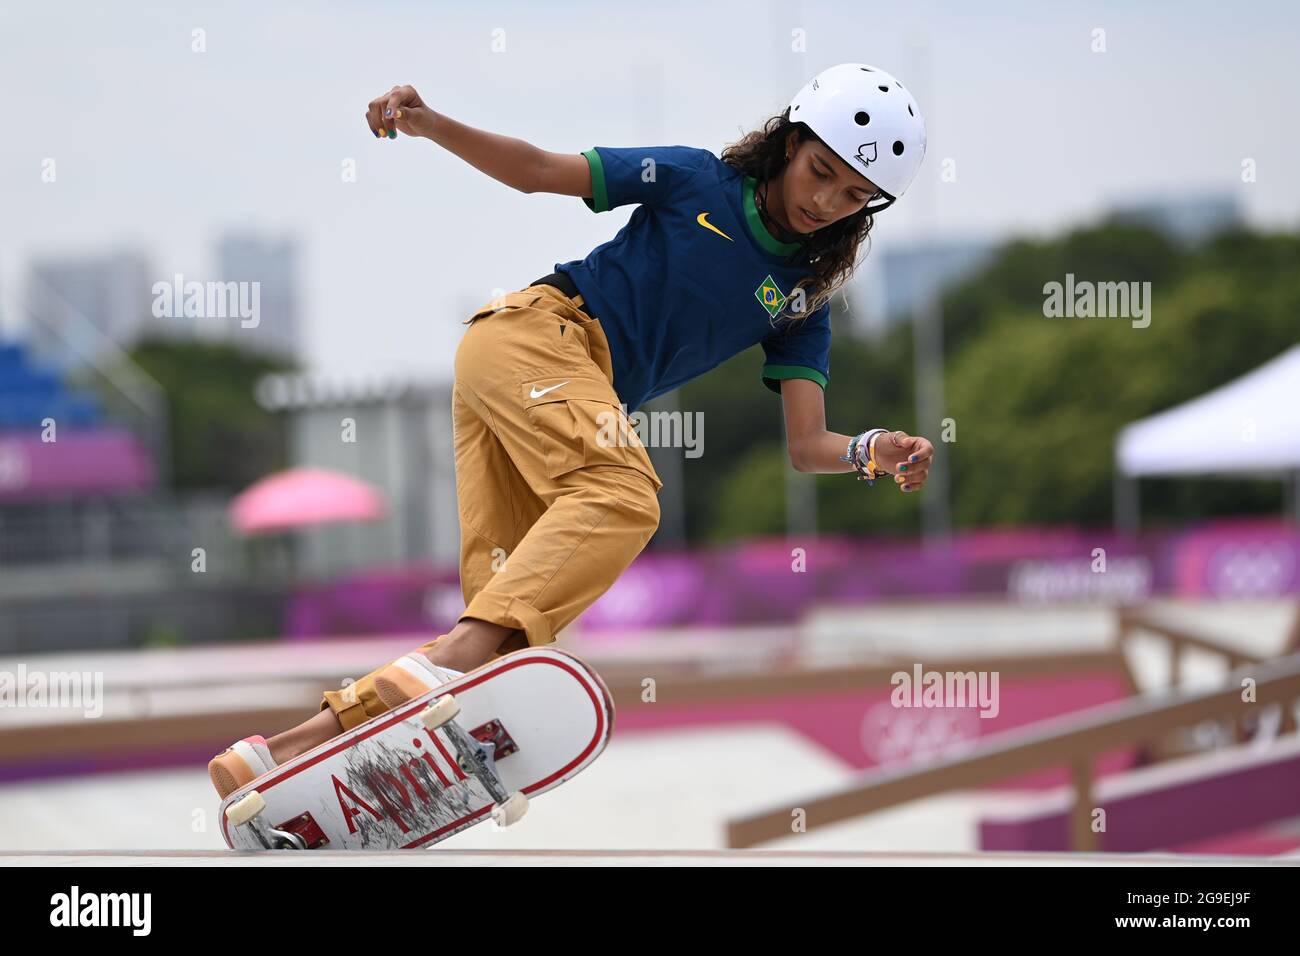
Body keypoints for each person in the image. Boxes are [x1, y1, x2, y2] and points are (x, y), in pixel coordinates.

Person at [209, 62, 936, 799]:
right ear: (789, 142)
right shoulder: (693, 180)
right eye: (820, 172)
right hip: (534, 337)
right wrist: (430, 123)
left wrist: (870, 451)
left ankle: (281, 757)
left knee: (505, 628)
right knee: (623, 493)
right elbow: (534, 170)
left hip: (546, 398)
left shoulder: (804, 300)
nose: (827, 202)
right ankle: (453, 663)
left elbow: (808, 446)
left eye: (854, 197)